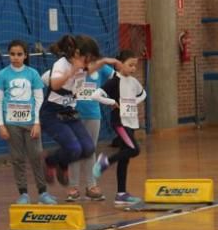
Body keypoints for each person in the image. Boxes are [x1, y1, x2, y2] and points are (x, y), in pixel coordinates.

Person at [40, 34, 121, 186]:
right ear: (77, 54)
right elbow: (55, 85)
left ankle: (62, 162)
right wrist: (71, 72)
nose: (89, 63)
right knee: (74, 148)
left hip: (69, 113)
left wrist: (105, 61)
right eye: (88, 58)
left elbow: (92, 69)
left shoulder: (83, 66)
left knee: (89, 148)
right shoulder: (62, 64)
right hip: (52, 114)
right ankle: (50, 161)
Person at [0, 39, 55, 206]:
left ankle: (42, 192)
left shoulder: (32, 74)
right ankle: (23, 193)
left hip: (31, 124)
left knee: (36, 156)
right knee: (17, 158)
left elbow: (39, 98)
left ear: (25, 55)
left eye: (19, 54)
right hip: (11, 124)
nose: (15, 57)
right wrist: (0, 124)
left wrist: (36, 122)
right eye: (12, 54)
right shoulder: (2, 75)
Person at [92, 50, 147, 206]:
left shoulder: (133, 82)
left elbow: (143, 94)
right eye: (130, 65)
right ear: (120, 64)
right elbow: (95, 95)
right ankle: (105, 162)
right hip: (119, 122)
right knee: (134, 149)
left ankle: (121, 194)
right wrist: (112, 103)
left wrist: (134, 102)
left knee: (125, 156)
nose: (133, 69)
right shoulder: (114, 81)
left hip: (131, 122)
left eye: (135, 66)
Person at [65, 60, 115, 202]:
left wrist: (109, 98)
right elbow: (49, 79)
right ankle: (73, 187)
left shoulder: (101, 67)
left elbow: (116, 78)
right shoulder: (72, 67)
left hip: (93, 115)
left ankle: (91, 186)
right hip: (73, 115)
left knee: (90, 150)